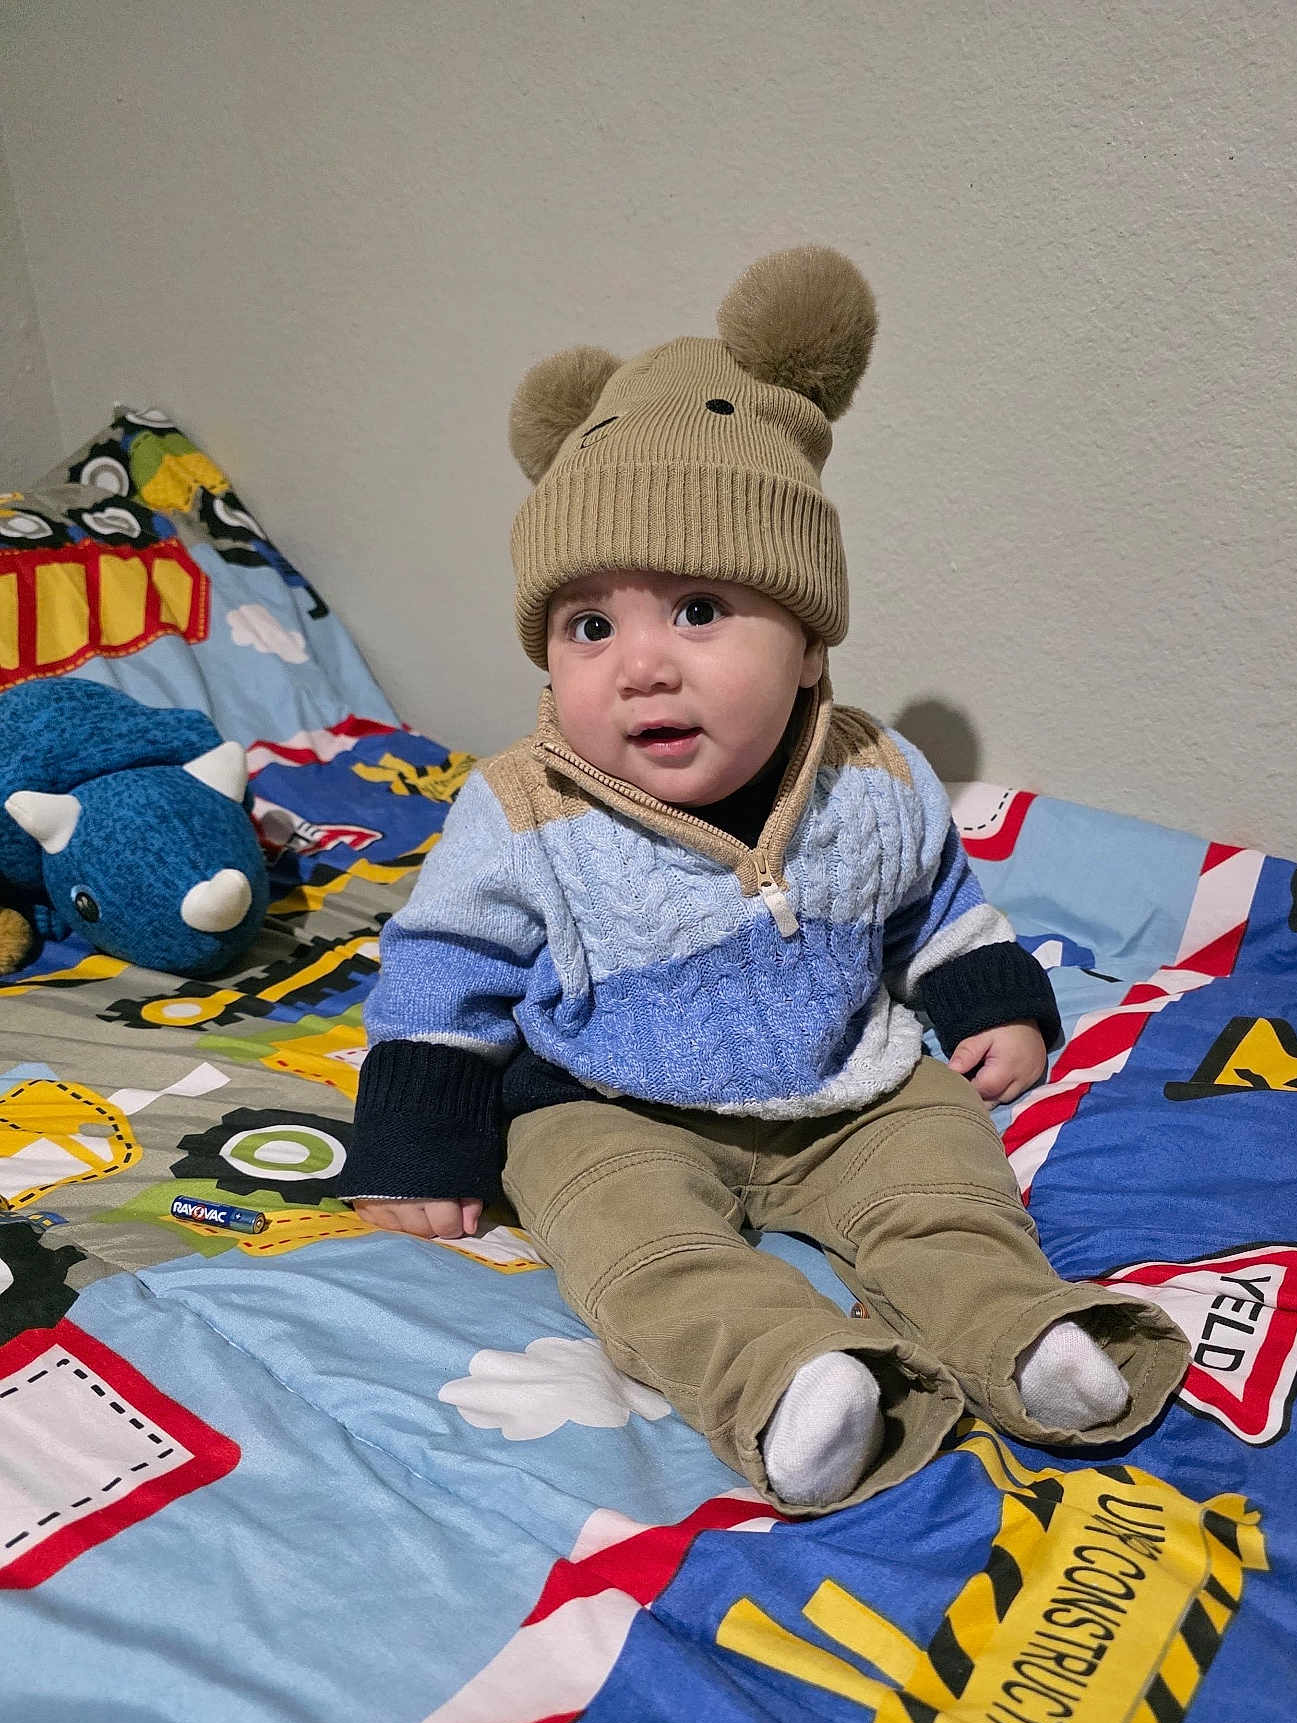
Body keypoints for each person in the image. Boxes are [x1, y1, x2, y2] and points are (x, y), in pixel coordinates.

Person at [341, 246, 1188, 1512]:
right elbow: (441, 973)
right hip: (606, 1100)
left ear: (806, 643)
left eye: (697, 610)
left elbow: (932, 903)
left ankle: (1022, 1333)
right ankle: (793, 1378)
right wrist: (419, 1140)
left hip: (851, 1084)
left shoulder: (870, 775)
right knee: (632, 1248)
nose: (640, 667)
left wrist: (991, 998)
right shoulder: (523, 807)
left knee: (945, 1186)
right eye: (590, 626)